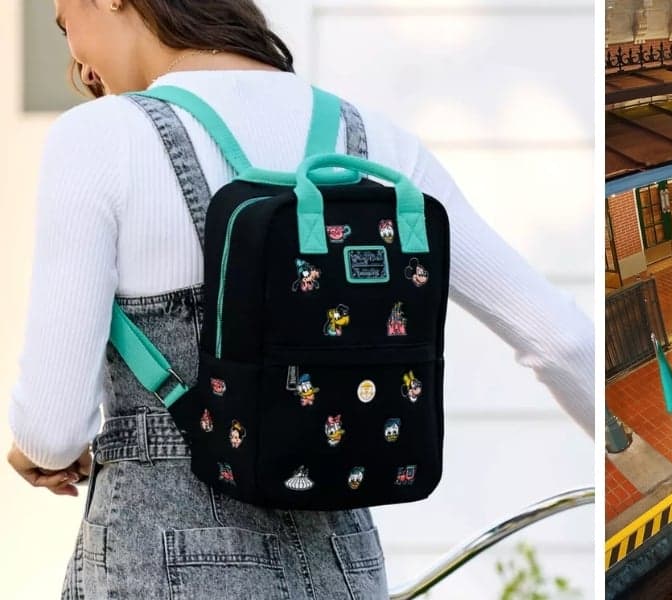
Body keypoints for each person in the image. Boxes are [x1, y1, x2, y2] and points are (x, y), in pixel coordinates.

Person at [5, 1, 594, 598]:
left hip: (164, 560)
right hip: (346, 565)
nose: (77, 59)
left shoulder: (99, 136)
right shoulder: (372, 139)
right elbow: (561, 339)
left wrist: (38, 449)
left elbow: (51, 429)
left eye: (62, 23)